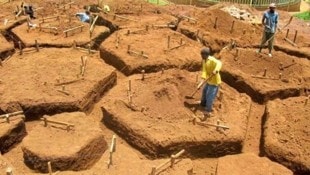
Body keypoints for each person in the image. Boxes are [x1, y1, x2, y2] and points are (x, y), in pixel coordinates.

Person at [198, 47, 222, 121]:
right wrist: (201, 81)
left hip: (214, 82)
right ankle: (202, 104)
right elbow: (204, 71)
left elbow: (219, 63)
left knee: (210, 96)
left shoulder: (212, 59)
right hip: (208, 81)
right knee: (204, 91)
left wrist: (216, 70)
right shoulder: (204, 61)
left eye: (202, 55)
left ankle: (208, 110)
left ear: (206, 54)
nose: (201, 56)